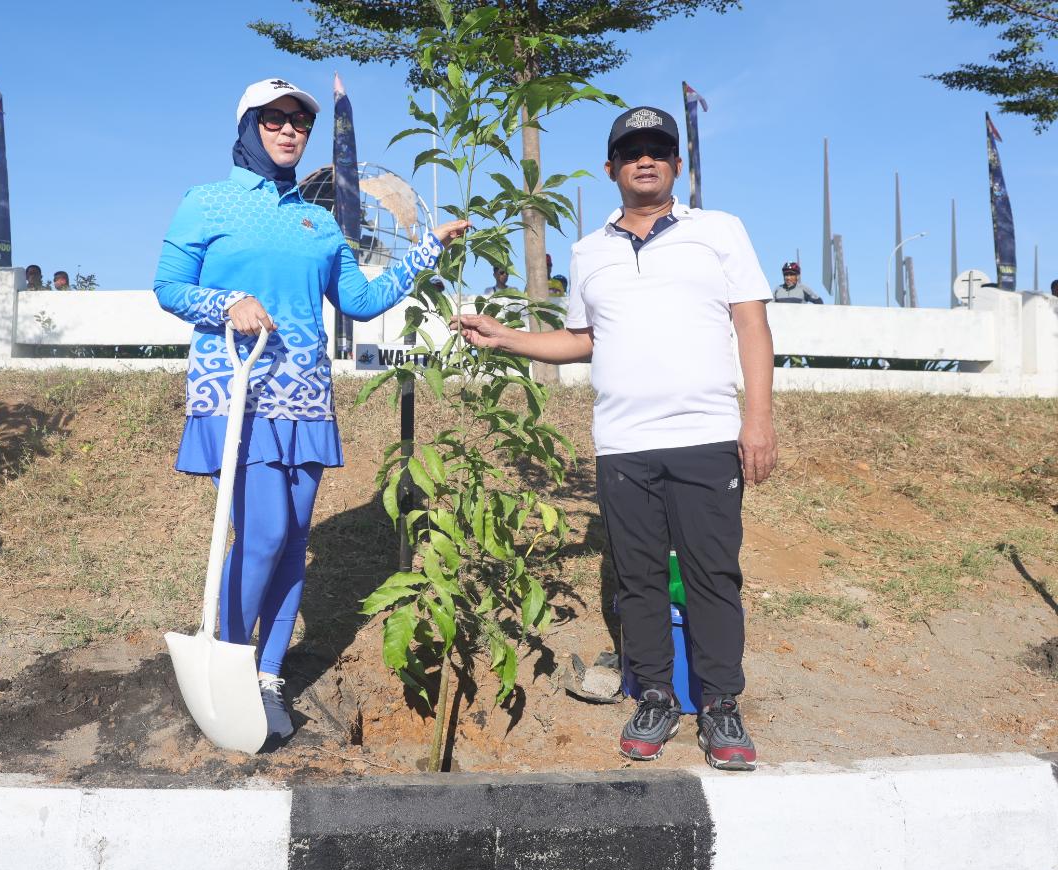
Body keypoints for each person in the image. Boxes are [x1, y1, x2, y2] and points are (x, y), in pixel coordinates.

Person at [456, 105, 776, 771]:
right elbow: (584, 339)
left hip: (706, 435)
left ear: (677, 165)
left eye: (659, 149)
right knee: (638, 578)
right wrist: (506, 336)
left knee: (713, 573)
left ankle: (719, 705)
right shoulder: (588, 250)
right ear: (612, 169)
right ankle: (654, 694)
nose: (646, 160)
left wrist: (758, 420)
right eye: (632, 152)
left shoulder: (718, 231)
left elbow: (750, 326)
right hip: (624, 444)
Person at [154, 77, 469, 742]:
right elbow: (169, 287)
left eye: (300, 120)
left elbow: (356, 299)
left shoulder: (319, 220)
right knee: (263, 535)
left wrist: (428, 250)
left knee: (293, 543)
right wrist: (224, 304)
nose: (290, 129)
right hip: (236, 387)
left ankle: (268, 676)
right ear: (249, 127)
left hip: (304, 391)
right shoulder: (206, 202)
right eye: (274, 119)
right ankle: (230, 667)